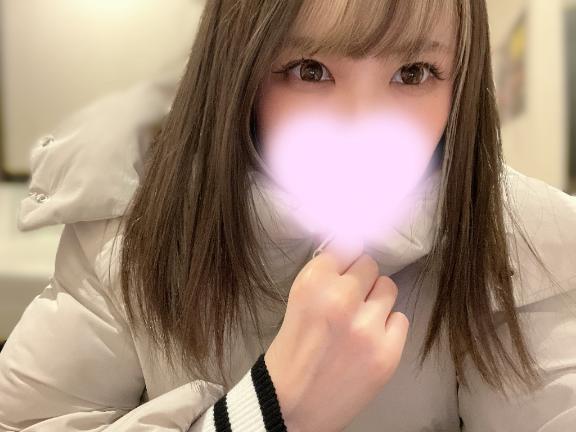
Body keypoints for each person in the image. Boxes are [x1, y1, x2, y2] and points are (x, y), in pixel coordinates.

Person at [1, 0, 576, 430]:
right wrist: (270, 410)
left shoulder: (525, 244)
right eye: (309, 70)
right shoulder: (131, 231)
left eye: (414, 73)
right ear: (239, 74)